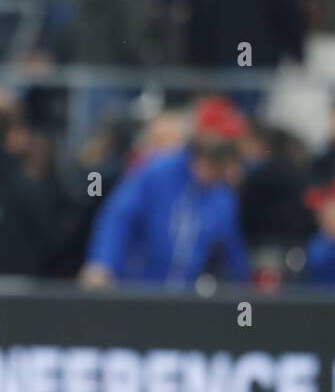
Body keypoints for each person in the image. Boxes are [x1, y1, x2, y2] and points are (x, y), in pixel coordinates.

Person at [79, 97, 252, 289]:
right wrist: (102, 263)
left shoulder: (223, 197)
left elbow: (232, 249)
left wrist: (244, 288)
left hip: (185, 297)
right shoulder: (158, 170)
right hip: (136, 288)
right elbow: (119, 216)